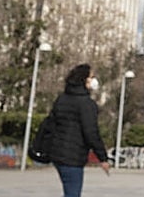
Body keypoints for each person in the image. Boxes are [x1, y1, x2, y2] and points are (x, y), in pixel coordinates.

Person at [46, 63, 111, 197]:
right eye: (91, 77)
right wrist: (102, 157)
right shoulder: (86, 104)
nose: (94, 80)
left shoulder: (62, 99)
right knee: (72, 193)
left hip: (57, 153)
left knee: (69, 191)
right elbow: (91, 133)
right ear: (84, 80)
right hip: (73, 156)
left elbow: (51, 123)